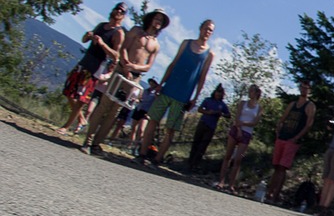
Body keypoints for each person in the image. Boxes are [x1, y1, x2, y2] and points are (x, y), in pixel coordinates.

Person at [80, 9, 167, 155]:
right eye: (156, 18)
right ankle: (87, 141)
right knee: (104, 105)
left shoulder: (156, 44)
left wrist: (134, 68)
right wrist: (126, 64)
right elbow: (124, 48)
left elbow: (148, 65)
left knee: (115, 111)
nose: (158, 22)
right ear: (151, 19)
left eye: (161, 20)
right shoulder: (136, 31)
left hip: (134, 77)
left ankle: (97, 143)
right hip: (121, 71)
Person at [139, 18, 216, 166]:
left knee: (170, 129)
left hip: (183, 96)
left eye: (210, 30)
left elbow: (202, 77)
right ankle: (142, 154)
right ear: (200, 28)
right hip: (168, 88)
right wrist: (161, 83)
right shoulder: (186, 43)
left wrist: (195, 98)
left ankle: (157, 159)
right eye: (205, 28)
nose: (207, 32)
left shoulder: (209, 54)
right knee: (152, 121)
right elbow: (173, 63)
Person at [57, 2, 128, 135]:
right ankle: (82, 119)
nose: (118, 12)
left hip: (96, 66)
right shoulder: (101, 26)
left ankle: (66, 127)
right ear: (113, 10)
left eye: (122, 11)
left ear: (123, 16)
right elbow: (84, 40)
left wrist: (102, 44)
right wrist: (88, 35)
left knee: (81, 99)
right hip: (85, 61)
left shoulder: (118, 33)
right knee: (68, 91)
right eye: (117, 9)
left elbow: (115, 55)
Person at [265, 80, 316, 204]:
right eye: (302, 87)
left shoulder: (310, 106)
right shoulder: (293, 104)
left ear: (310, 91)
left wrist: (297, 137)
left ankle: (276, 195)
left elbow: (308, 124)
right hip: (282, 136)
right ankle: (269, 193)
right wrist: (278, 129)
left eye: (307, 88)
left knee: (283, 167)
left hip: (292, 140)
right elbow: (283, 118)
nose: (304, 90)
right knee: (276, 165)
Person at [217, 85, 263, 192]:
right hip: (235, 130)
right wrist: (238, 128)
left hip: (247, 134)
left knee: (238, 159)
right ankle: (221, 181)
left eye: (251, 91)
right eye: (249, 91)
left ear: (256, 93)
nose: (249, 93)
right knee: (228, 156)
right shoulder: (243, 103)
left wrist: (244, 124)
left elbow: (255, 122)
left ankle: (231, 184)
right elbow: (237, 117)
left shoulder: (259, 108)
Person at [188, 84, 230, 171]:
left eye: (220, 93)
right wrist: (207, 112)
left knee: (203, 146)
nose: (218, 95)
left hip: (211, 126)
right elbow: (199, 109)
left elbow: (228, 115)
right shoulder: (208, 100)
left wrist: (221, 114)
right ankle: (190, 162)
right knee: (196, 142)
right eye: (217, 93)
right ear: (214, 92)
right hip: (203, 123)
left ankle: (196, 164)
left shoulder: (222, 105)